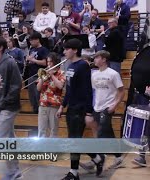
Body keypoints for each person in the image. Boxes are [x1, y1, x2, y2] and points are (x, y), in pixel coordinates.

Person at [57, 39, 104, 180]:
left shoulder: (83, 66)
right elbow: (69, 89)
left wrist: (89, 112)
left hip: (80, 109)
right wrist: (62, 106)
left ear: (75, 50)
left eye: (67, 49)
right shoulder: (70, 66)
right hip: (71, 108)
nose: (64, 51)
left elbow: (87, 91)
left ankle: (74, 172)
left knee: (74, 141)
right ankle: (97, 159)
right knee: (75, 140)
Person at [80, 50, 125, 173]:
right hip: (97, 107)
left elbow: (121, 91)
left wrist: (114, 105)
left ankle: (95, 160)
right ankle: (119, 157)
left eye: (97, 57)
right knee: (108, 133)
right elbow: (94, 91)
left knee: (100, 133)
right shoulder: (94, 74)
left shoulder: (113, 74)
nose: (94, 59)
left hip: (107, 108)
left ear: (104, 59)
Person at [0, 36, 23, 180]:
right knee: (9, 140)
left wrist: (5, 102)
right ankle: (15, 173)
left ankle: (8, 173)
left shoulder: (9, 62)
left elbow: (16, 85)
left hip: (8, 106)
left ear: (0, 48)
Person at [37, 52, 65, 138]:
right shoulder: (44, 72)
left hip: (54, 105)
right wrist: (42, 78)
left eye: (50, 62)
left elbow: (60, 86)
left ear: (56, 62)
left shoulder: (61, 73)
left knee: (53, 130)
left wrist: (52, 75)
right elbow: (38, 88)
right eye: (47, 62)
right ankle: (42, 150)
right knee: (42, 129)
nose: (48, 64)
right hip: (43, 104)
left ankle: (52, 150)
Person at [26, 32, 49, 113]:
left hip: (39, 76)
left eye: (32, 40)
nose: (30, 42)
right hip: (30, 75)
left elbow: (45, 63)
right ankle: (34, 111)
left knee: (37, 95)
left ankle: (40, 111)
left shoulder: (43, 50)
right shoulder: (31, 49)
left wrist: (33, 60)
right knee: (32, 96)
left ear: (38, 40)